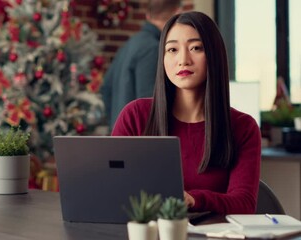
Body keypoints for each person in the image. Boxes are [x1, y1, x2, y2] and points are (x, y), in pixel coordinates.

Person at [112, 11, 261, 214]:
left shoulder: (243, 127)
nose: (183, 60)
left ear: (214, 55)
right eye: (172, 49)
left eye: (196, 48)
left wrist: (193, 199)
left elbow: (243, 204)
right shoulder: (135, 115)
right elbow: (112, 189)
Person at [101, 0, 181, 130]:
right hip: (140, 138)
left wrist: (116, 125)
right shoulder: (153, 48)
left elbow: (106, 88)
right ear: (177, 13)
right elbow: (149, 101)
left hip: (122, 134)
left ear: (148, 15)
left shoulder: (129, 44)